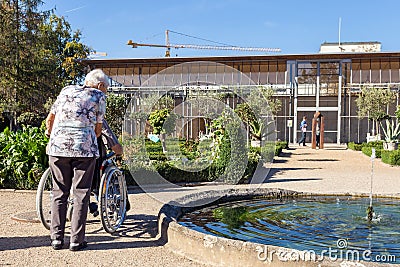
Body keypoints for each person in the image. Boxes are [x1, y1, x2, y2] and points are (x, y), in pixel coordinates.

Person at [45, 69, 108, 251]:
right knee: (81, 193)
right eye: (106, 89)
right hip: (84, 150)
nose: (106, 92)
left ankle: (56, 239)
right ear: (100, 85)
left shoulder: (66, 90)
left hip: (57, 148)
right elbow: (98, 129)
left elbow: (50, 119)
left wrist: (53, 136)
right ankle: (76, 241)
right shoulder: (98, 96)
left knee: (59, 192)